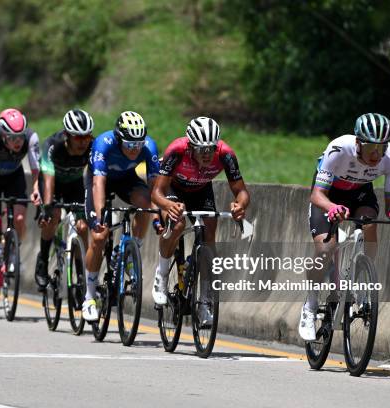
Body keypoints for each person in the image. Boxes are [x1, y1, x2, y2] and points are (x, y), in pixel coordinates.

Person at [299, 113, 390, 341]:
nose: (375, 155)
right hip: (330, 194)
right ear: (358, 142)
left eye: (381, 148)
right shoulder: (338, 148)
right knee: (325, 250)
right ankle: (309, 306)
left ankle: (362, 279)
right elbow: (317, 195)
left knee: (369, 221)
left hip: (361, 193)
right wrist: (331, 207)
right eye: (370, 147)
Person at [151, 116, 250, 324]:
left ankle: (205, 302)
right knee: (177, 224)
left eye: (210, 149)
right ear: (190, 146)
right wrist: (169, 206)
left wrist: (240, 205)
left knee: (209, 237)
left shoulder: (226, 154)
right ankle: (160, 275)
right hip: (173, 188)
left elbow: (241, 191)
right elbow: (157, 192)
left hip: (201, 189)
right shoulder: (177, 150)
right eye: (201, 149)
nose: (207, 154)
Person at [82, 110, 162, 321]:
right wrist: (100, 218)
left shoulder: (149, 146)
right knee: (99, 237)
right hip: (99, 180)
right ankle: (89, 296)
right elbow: (98, 183)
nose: (135, 149)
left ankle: (130, 251)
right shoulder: (103, 143)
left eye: (138, 144)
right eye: (129, 144)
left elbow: (155, 189)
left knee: (146, 205)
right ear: (119, 139)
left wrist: (157, 217)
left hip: (127, 180)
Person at [0, 108, 41, 303]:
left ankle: (12, 254)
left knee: (19, 219)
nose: (18, 141)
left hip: (14, 178)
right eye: (12, 138)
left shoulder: (31, 138)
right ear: (3, 135)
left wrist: (37, 189)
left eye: (20, 137)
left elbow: (37, 171)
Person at [35, 109, 94, 290]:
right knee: (52, 217)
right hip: (52, 183)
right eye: (78, 137)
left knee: (82, 227)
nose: (83, 141)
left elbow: (96, 177)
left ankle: (80, 275)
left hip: (75, 184)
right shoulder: (54, 145)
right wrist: (47, 207)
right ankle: (43, 260)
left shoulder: (92, 146)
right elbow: (49, 178)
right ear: (67, 135)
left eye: (86, 137)